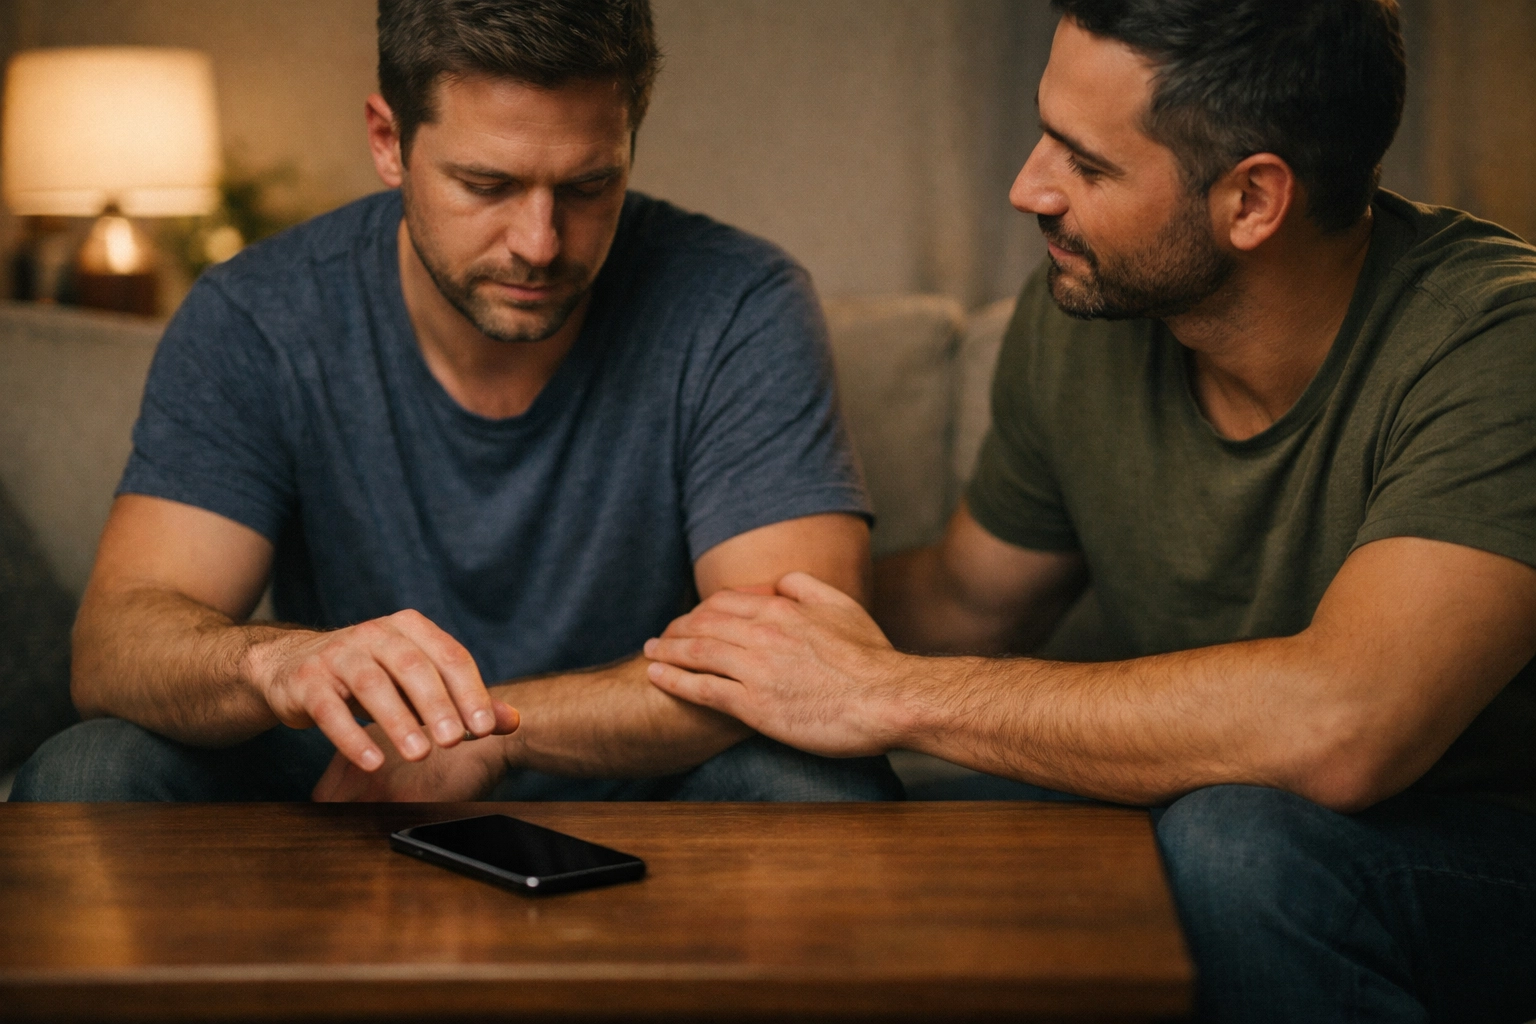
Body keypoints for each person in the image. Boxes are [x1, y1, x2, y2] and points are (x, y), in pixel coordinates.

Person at [643, 1, 1536, 1019]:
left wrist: (890, 692)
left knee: (1237, 841)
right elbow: (969, 600)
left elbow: (1346, 726)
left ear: (1252, 200)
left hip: (1480, 850)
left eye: (1087, 163)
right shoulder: (1087, 319)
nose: (1028, 188)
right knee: (780, 778)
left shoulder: (1496, 345)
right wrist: (716, 632)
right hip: (1211, 804)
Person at [12, 0, 899, 805]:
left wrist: (483, 734)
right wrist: (278, 663)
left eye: (590, 186)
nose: (540, 244)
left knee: (815, 777)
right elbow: (115, 645)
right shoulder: (259, 315)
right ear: (389, 141)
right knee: (93, 766)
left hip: (642, 777)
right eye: (488, 186)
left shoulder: (738, 302)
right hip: (356, 769)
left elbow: (800, 661)